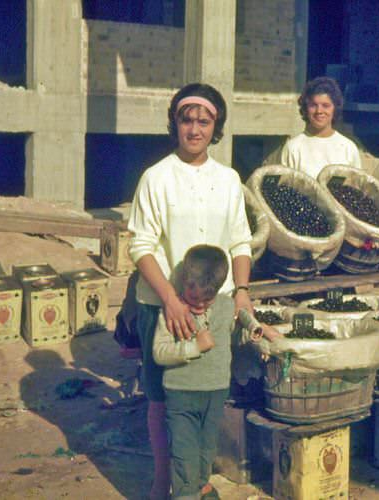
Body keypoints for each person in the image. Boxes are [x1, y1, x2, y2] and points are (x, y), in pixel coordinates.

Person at [128, 82, 254, 499]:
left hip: (214, 306)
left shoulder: (229, 179)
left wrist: (241, 291)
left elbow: (240, 241)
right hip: (162, 303)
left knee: (207, 394)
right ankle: (163, 485)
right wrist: (170, 300)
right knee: (163, 396)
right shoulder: (156, 177)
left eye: (205, 121)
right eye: (187, 119)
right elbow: (141, 246)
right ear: (175, 123)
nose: (195, 129)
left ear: (216, 128)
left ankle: (196, 483)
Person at [153, 245, 279, 499]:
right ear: (184, 281)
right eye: (193, 296)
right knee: (184, 452)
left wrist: (261, 333)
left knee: (207, 450)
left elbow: (234, 333)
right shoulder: (173, 309)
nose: (198, 304)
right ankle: (185, 493)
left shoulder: (224, 306)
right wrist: (193, 347)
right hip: (182, 393)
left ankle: (200, 486)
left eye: (206, 300)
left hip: (215, 391)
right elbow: (160, 352)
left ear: (219, 289)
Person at [280, 76, 362, 178]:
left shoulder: (348, 148)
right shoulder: (293, 148)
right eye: (313, 105)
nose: (319, 111)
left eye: (325, 105)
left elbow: (357, 187)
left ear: (335, 109)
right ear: (305, 109)